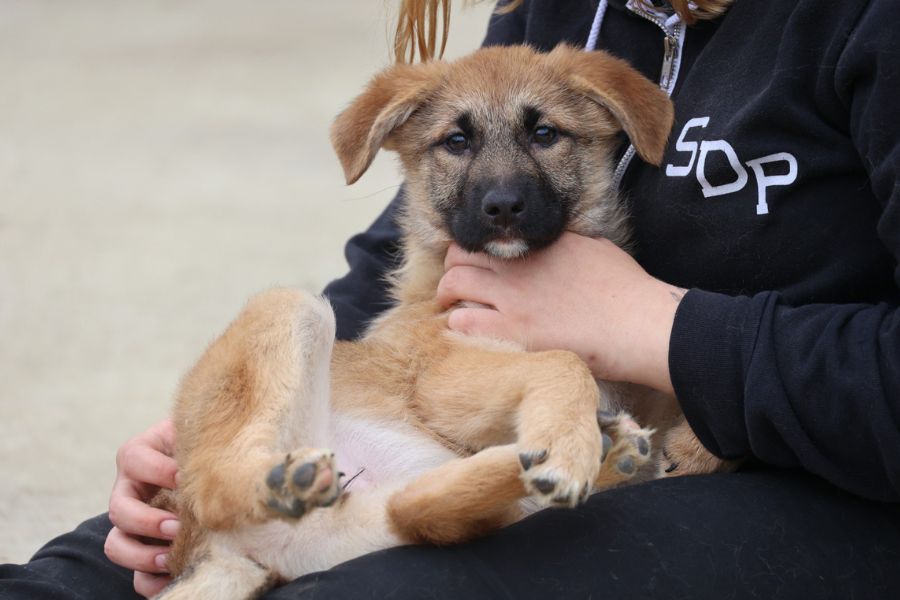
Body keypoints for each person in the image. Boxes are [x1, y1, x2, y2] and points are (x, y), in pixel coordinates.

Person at [3, 0, 899, 598]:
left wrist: (656, 329)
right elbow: (388, 286)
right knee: (79, 578)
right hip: (441, 435)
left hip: (816, 483)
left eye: (543, 136)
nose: (503, 185)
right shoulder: (548, 12)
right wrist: (232, 429)